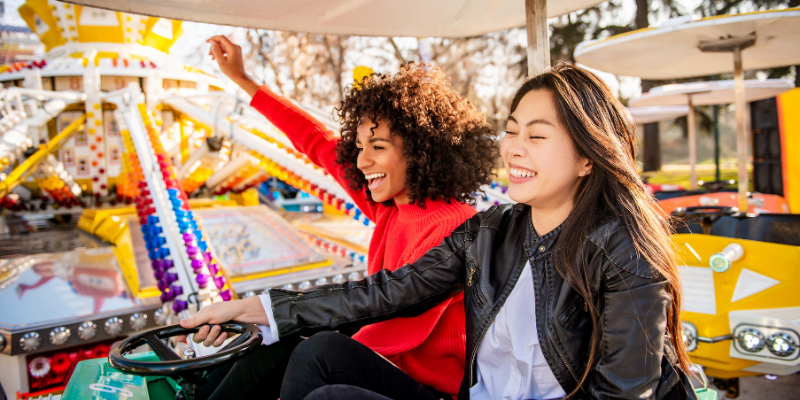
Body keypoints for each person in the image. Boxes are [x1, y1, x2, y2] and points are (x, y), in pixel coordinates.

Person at [183, 63, 695, 400]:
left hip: (436, 385)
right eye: (511, 131)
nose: (514, 148)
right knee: (317, 355)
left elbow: (623, 392)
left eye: (536, 136)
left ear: (588, 156)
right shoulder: (490, 231)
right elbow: (390, 291)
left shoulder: (622, 250)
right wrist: (264, 312)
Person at [189, 36, 498, 400]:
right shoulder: (390, 208)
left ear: (420, 151)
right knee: (277, 341)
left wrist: (280, 317)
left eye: (378, 147)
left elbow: (390, 311)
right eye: (360, 147)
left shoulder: (452, 224)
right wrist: (244, 80)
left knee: (313, 348)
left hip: (433, 391)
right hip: (390, 369)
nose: (363, 162)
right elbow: (316, 142)